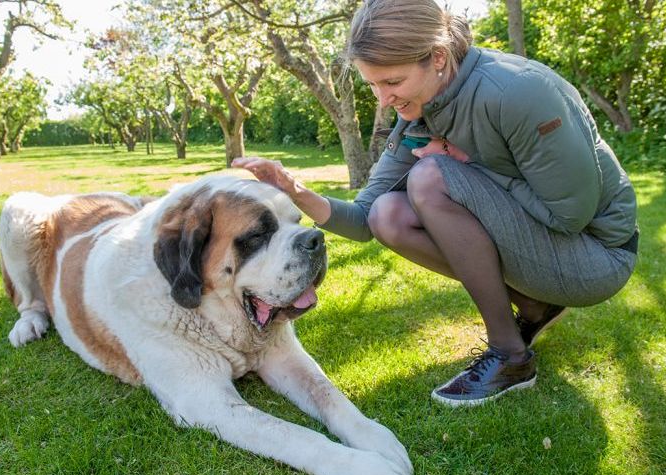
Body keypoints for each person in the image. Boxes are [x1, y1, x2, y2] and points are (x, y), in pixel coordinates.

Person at [233, 0, 638, 407]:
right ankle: (535, 304)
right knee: (388, 214)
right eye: (373, 85)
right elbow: (364, 221)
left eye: (392, 81)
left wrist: (460, 159)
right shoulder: (421, 111)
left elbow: (569, 215)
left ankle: (511, 355)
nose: (384, 98)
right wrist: (294, 189)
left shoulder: (518, 92)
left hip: (597, 257)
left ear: (439, 58)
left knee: (430, 177)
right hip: (552, 247)